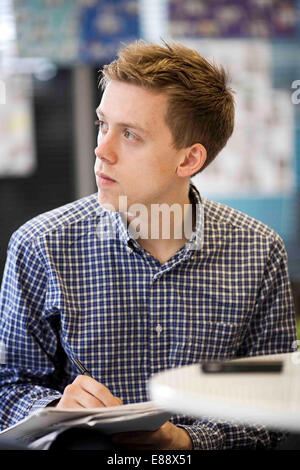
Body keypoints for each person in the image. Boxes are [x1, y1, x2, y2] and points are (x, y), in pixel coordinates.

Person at [0, 40, 297, 450]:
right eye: (104, 124)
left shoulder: (259, 251)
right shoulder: (40, 245)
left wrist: (186, 442)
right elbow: (8, 386)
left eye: (130, 135)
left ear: (189, 160)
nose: (101, 149)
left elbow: (277, 406)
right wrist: (55, 408)